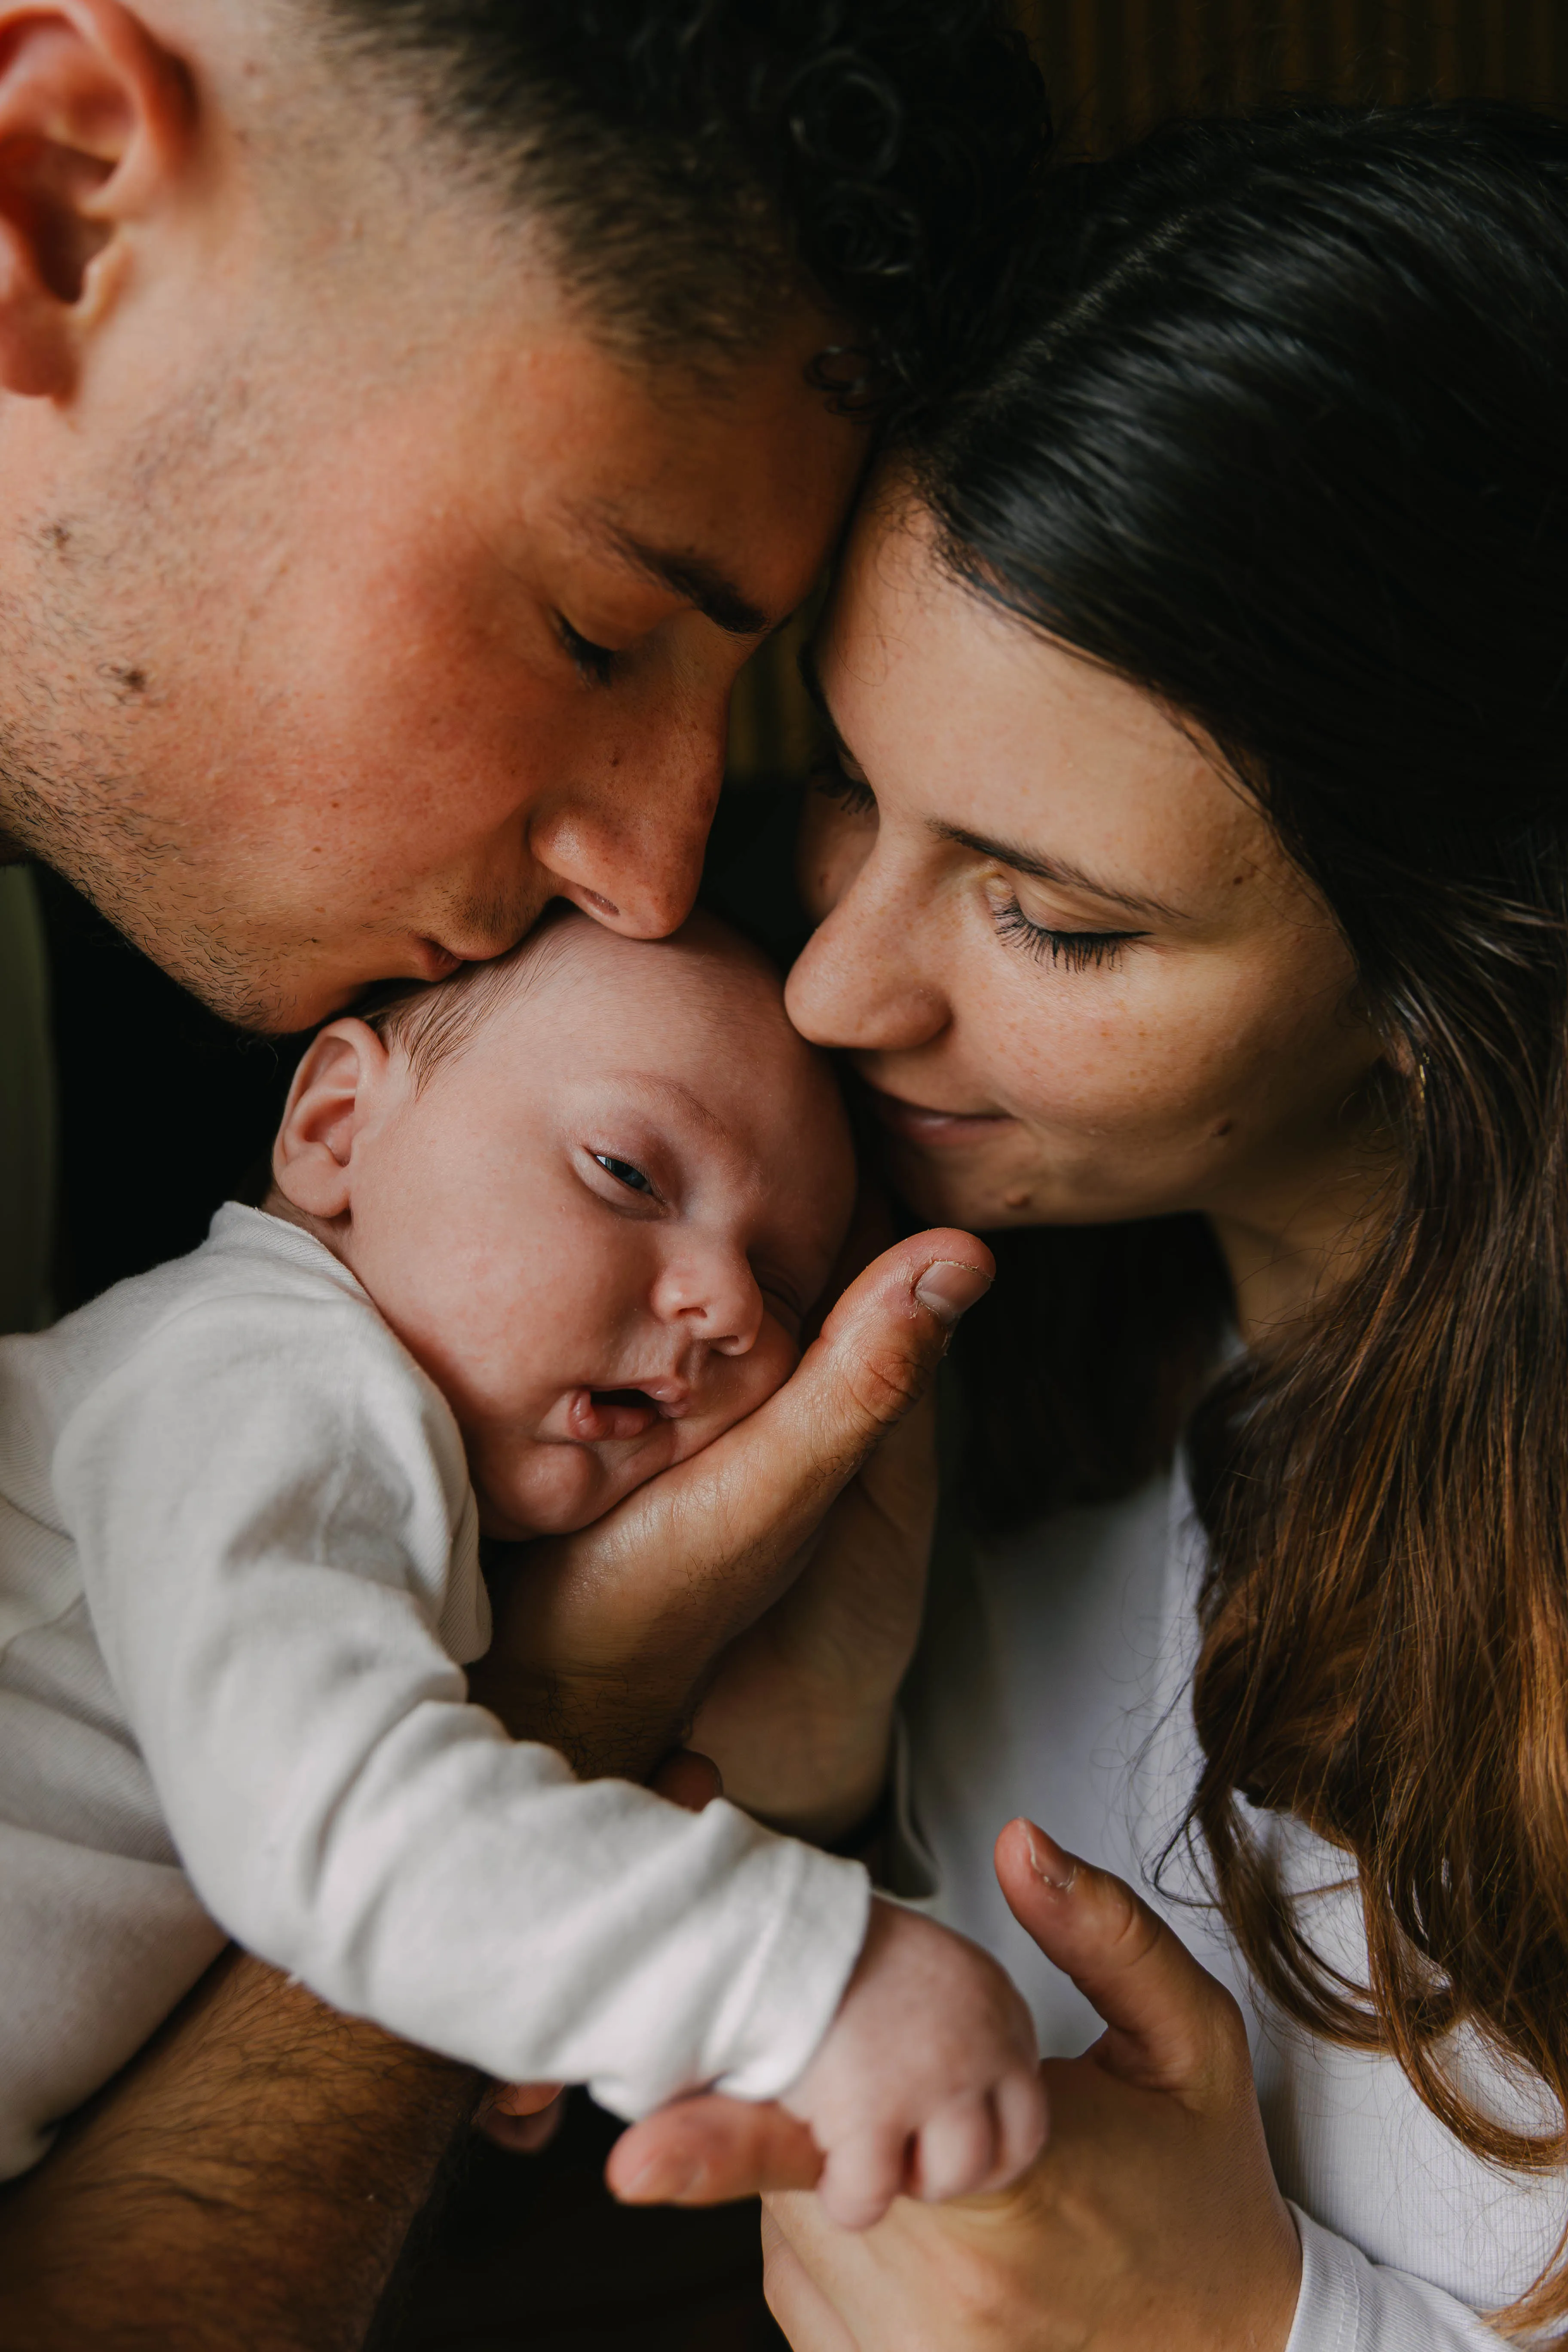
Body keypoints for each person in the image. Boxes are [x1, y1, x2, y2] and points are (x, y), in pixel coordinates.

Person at [0, 3, 1046, 2342]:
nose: (658, 863)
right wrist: (766, 1959)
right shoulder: (279, 1347)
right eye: (594, 628)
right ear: (60, 199)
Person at [606, 102, 1568, 2348]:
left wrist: (1250, 2327)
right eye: (846, 778)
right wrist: (819, 1807)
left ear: (1468, 974)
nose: (834, 985)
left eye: (1048, 917)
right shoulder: (947, 1334)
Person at [0, 905, 1044, 2225]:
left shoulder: (374, 1509)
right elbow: (344, 1836)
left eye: (781, 1291)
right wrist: (803, 1973)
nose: (722, 1305)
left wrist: (493, 1948)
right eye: (626, 1173)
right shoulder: (278, 1377)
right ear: (334, 1131)